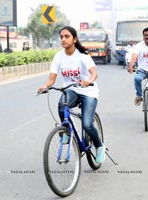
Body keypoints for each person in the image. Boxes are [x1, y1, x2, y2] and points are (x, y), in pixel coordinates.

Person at [37, 26, 105, 163]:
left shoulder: (82, 55)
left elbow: (94, 73)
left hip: (88, 91)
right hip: (71, 89)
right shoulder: (59, 56)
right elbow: (52, 79)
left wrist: (88, 81)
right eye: (61, 37)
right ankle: (67, 130)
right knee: (62, 106)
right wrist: (45, 86)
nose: (63, 39)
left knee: (87, 124)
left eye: (66, 36)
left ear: (74, 39)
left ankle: (99, 146)